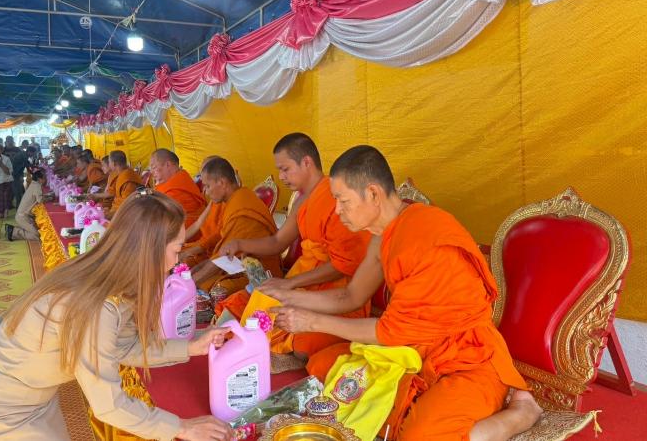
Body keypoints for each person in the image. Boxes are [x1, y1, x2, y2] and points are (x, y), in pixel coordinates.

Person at [267, 145, 542, 441]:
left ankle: (522, 413)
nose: (337, 211)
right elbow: (352, 296)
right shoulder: (382, 235)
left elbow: (388, 332)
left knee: (420, 436)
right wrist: (289, 297)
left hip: (467, 359)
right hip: (412, 350)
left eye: (343, 201)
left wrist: (310, 321)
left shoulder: (428, 241)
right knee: (324, 365)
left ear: (373, 194)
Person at [0, 191, 233, 441]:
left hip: (28, 395)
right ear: (150, 250)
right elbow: (109, 405)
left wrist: (190, 347)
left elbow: (123, 346)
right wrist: (183, 427)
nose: (177, 261)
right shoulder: (98, 307)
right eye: (177, 250)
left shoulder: (108, 277)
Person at [217, 133, 371, 359]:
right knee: (238, 303)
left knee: (301, 345)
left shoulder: (337, 198)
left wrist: (290, 283)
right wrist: (240, 243)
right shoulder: (301, 200)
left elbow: (344, 265)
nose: (281, 176)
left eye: (285, 169)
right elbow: (277, 242)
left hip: (336, 289)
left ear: (306, 162)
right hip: (304, 280)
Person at [188, 158, 282, 292]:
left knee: (215, 289)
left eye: (208, 186)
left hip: (260, 272)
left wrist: (188, 284)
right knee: (197, 274)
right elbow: (224, 241)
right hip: (238, 263)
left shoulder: (241, 207)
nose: (206, 192)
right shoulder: (235, 200)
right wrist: (200, 268)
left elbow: (224, 257)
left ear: (222, 183)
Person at [150, 148, 206, 229]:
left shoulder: (177, 188)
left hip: (188, 231)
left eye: (154, 167)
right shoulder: (176, 179)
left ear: (168, 165)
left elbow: (159, 217)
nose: (151, 172)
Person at [89, 150, 142, 218]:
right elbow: (115, 195)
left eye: (109, 162)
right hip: (116, 209)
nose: (109, 164)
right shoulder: (119, 174)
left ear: (113, 163)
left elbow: (128, 203)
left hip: (125, 214)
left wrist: (111, 214)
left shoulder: (128, 177)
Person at [5, 169, 45, 241]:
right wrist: (49, 198)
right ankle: (13, 231)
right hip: (23, 217)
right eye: (44, 178)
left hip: (23, 216)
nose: (46, 180)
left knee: (37, 231)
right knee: (37, 235)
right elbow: (40, 200)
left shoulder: (33, 184)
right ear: (39, 179)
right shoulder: (37, 186)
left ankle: (15, 230)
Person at [5, 136, 27, 208]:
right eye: (8, 140)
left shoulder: (17, 149)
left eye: (11, 140)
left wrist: (21, 173)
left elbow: (23, 161)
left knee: (17, 190)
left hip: (17, 173)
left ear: (13, 141)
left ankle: (18, 205)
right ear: (6, 141)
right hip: (6, 173)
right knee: (8, 190)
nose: (10, 142)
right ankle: (9, 204)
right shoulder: (3, 150)